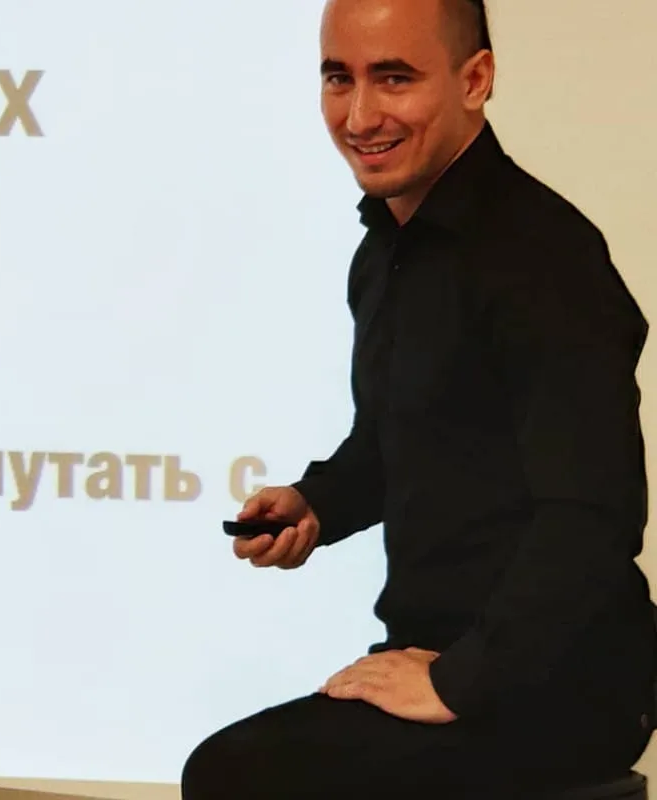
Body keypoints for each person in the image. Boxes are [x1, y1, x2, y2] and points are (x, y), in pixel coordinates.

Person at [180, 0, 657, 797]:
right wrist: (317, 503)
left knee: (236, 776)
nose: (360, 115)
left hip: (564, 682)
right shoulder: (384, 254)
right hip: (441, 652)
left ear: (476, 79)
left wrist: (460, 682)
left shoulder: (546, 259)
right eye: (340, 78)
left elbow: (593, 515)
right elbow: (404, 437)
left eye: (394, 78)